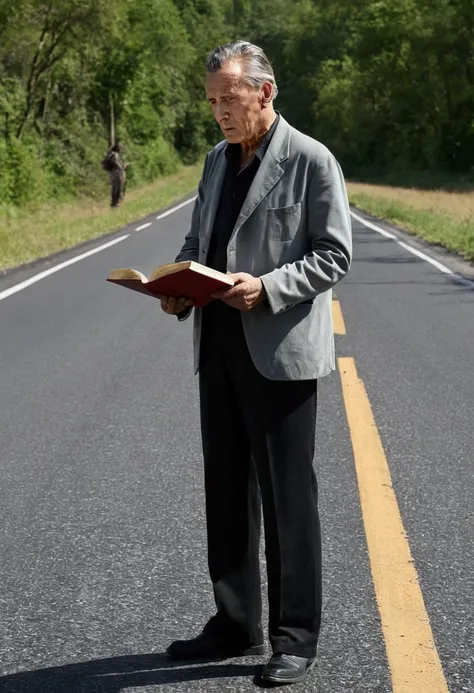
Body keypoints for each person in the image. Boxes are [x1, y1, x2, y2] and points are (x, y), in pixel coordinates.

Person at [160, 41, 352, 686]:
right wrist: (176, 285)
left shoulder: (310, 160)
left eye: (228, 98)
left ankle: (294, 637)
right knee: (227, 490)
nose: (218, 111)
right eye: (212, 99)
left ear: (264, 92)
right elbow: (199, 239)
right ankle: (234, 623)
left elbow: (333, 254)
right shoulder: (216, 160)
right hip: (217, 344)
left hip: (280, 352)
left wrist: (266, 288)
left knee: (288, 499)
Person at [102, 141, 127, 208]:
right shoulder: (115, 155)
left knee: (114, 188)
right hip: (117, 174)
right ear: (118, 148)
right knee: (118, 188)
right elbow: (117, 165)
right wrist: (123, 166)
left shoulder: (110, 154)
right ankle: (115, 203)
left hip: (111, 174)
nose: (121, 149)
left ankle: (113, 203)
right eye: (120, 148)